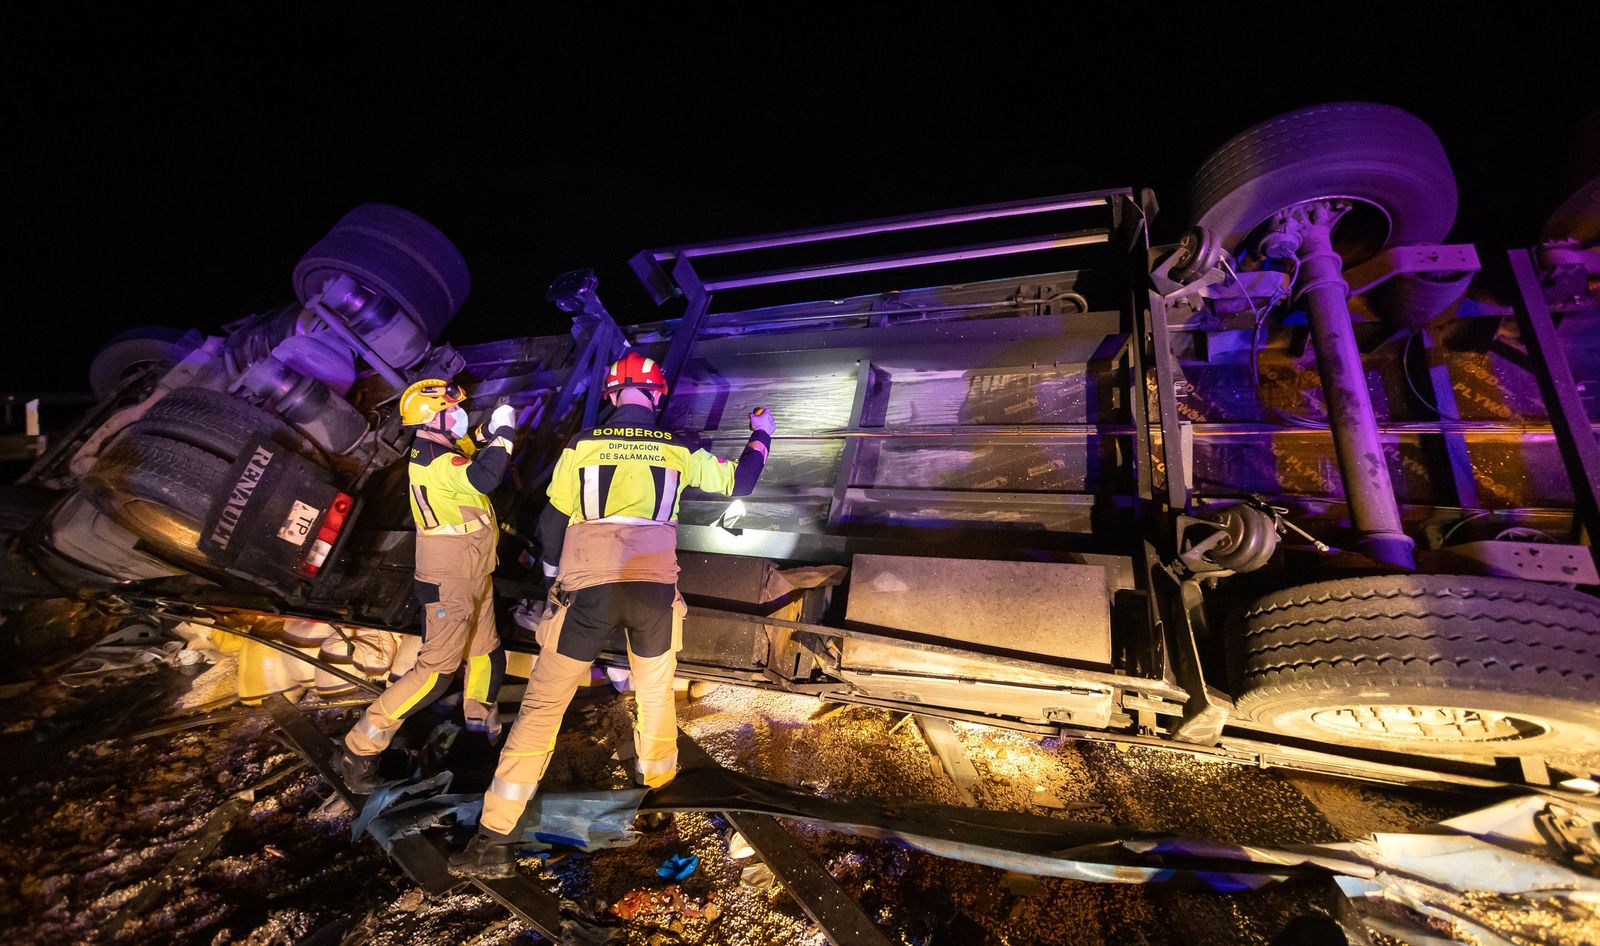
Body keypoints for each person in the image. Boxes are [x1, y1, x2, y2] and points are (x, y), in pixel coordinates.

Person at [450, 351, 773, 876]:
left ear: (612, 394)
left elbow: (552, 523)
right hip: (654, 596)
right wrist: (761, 434)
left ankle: (493, 841)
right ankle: (658, 796)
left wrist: (554, 581)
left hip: (586, 593)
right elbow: (741, 482)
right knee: (654, 695)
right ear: (656, 395)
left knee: (543, 707)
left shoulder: (582, 446)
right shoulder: (679, 448)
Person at [335, 378, 519, 792]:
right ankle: (358, 749)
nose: (458, 415)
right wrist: (506, 431)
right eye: (450, 410)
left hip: (472, 571)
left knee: (486, 654)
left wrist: (488, 431)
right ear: (430, 418)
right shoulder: (436, 460)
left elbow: (470, 447)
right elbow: (485, 477)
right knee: (436, 671)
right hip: (449, 577)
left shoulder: (437, 445)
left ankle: (478, 736)